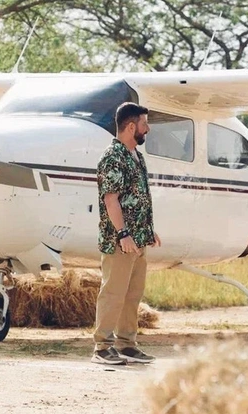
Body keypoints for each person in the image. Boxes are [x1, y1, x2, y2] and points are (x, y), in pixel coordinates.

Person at [92, 102, 161, 366]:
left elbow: (138, 198)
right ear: (131, 127)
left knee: (133, 294)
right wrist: (123, 234)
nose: (148, 129)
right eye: (145, 124)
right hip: (120, 241)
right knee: (113, 293)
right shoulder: (113, 157)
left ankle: (126, 344)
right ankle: (102, 347)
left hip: (139, 239)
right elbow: (111, 200)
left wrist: (149, 232)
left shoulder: (136, 156)